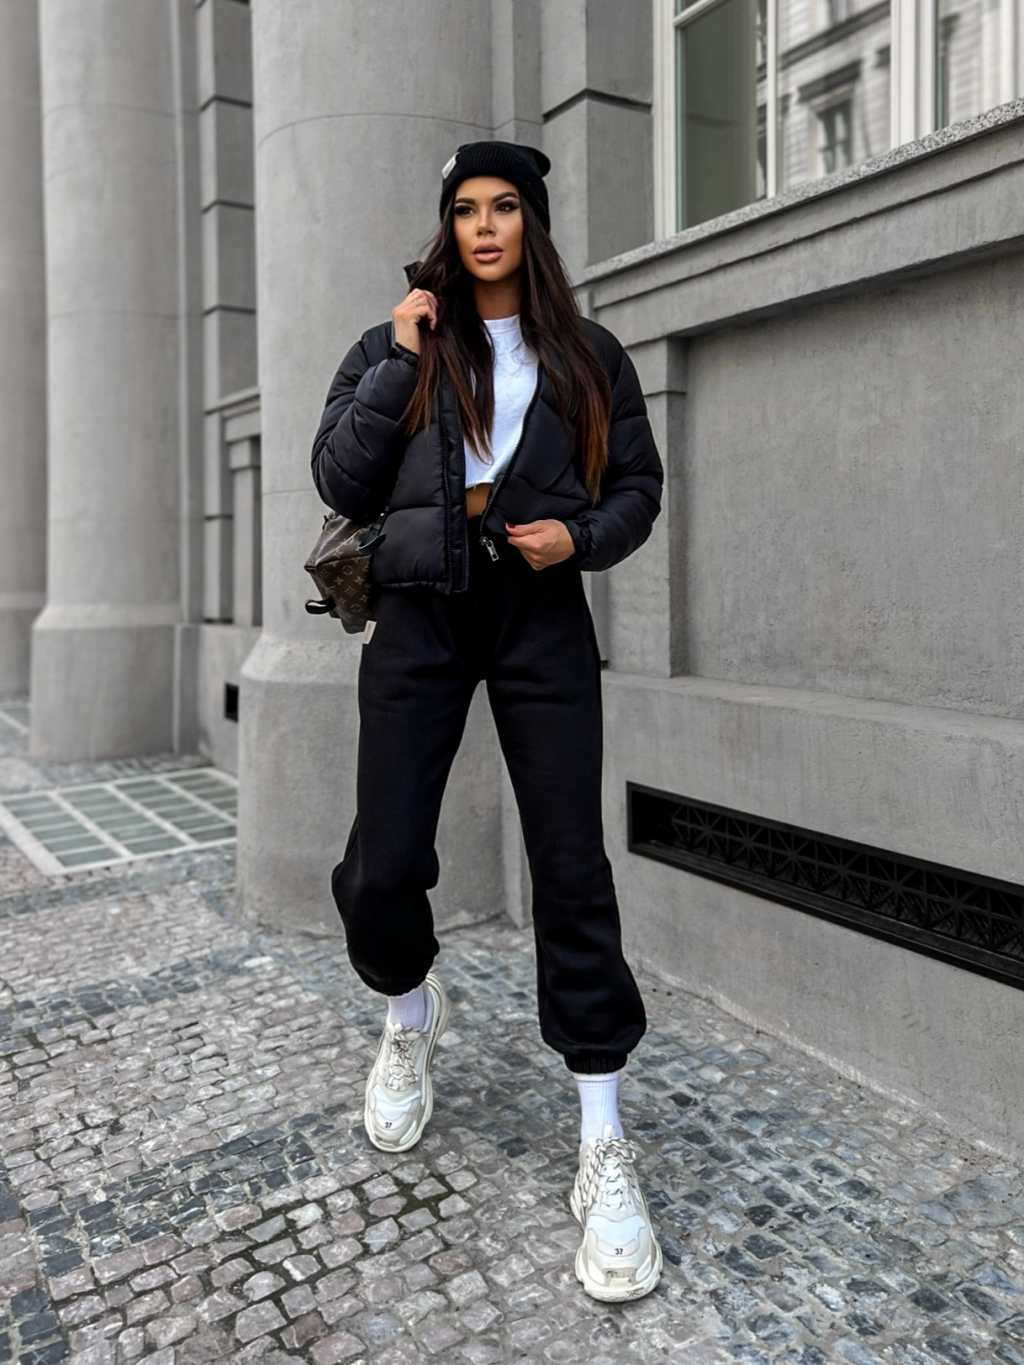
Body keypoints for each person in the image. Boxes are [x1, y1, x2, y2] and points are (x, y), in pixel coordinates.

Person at [311, 141, 664, 1303]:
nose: (482, 225)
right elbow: (340, 478)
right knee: (382, 865)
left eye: (504, 207)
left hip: (539, 615)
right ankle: (408, 1013)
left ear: (532, 225)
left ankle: (602, 1139)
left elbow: (638, 490)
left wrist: (582, 539)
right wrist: (396, 357)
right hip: (418, 612)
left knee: (570, 864)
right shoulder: (393, 346)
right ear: (446, 227)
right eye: (464, 208)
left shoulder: (588, 355)